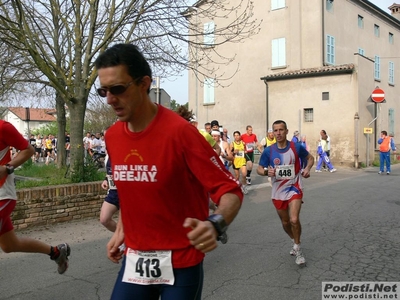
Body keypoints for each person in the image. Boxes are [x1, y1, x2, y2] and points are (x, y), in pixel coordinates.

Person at [95, 43, 243, 300]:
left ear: (144, 84)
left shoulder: (181, 133)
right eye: (103, 91)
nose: (109, 99)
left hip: (181, 262)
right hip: (136, 260)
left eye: (117, 89)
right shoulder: (112, 136)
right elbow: (131, 192)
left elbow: (229, 189)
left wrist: (215, 223)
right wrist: (122, 230)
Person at [0, 120, 71, 274]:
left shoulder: (3, 127)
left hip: (2, 195)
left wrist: (7, 168)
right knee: (9, 245)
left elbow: (28, 150)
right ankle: (57, 252)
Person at [257, 120, 314, 266]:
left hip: (294, 187)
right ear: (272, 132)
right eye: (275, 130)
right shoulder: (269, 151)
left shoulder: (296, 147)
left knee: (294, 219)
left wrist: (307, 169)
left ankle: (298, 247)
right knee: (285, 222)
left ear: (286, 131)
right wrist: (265, 172)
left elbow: (310, 158)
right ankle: (293, 240)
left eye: (281, 130)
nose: (278, 133)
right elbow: (259, 168)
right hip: (278, 191)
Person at [100, 154, 119, 232]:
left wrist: (120, 176)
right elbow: (109, 170)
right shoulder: (109, 153)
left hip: (126, 192)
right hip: (113, 192)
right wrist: (106, 179)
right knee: (104, 219)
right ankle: (123, 238)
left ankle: (124, 240)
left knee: (126, 223)